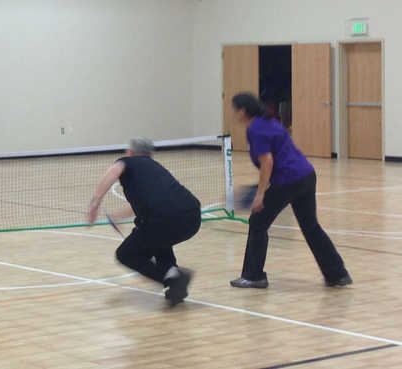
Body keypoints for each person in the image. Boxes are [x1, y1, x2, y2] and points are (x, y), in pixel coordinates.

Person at [229, 93, 351, 288]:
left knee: (258, 221)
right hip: (306, 176)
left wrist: (260, 194)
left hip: (288, 180)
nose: (233, 114)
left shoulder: (256, 129)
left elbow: (267, 161)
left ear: (243, 111)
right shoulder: (268, 121)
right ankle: (337, 274)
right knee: (311, 226)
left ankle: (253, 276)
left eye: (234, 110)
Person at [88, 138, 201, 307]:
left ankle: (174, 278)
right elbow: (155, 201)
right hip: (192, 217)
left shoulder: (127, 162)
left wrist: (95, 202)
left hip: (163, 220)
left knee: (125, 254)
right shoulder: (154, 168)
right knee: (159, 239)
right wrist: (119, 216)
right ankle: (173, 283)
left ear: (131, 153)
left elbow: (113, 171)